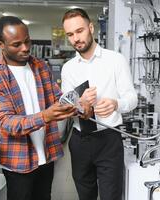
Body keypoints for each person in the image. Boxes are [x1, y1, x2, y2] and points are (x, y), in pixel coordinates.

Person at [0, 16, 77, 200]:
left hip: (46, 153)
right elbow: (6, 122)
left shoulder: (39, 66)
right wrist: (46, 116)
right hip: (18, 161)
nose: (25, 48)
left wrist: (75, 103)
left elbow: (56, 96)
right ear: (1, 44)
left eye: (27, 41)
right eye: (17, 44)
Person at [61, 8, 138, 200]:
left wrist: (116, 104)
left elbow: (132, 97)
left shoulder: (115, 60)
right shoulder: (68, 68)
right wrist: (79, 103)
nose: (75, 38)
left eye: (80, 31)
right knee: (85, 195)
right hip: (79, 140)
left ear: (91, 28)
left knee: (111, 196)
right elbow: (66, 107)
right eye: (70, 34)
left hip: (109, 139)